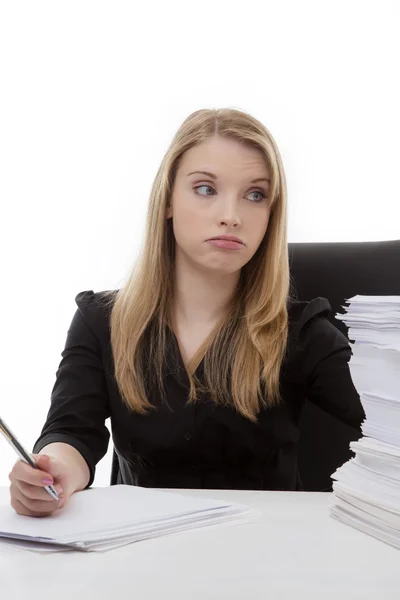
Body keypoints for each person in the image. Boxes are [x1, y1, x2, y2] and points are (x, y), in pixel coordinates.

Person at [9, 107, 365, 518]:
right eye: (206, 189)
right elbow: (71, 433)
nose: (231, 216)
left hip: (267, 560)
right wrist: (54, 472)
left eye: (255, 195)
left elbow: (385, 419)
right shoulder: (101, 321)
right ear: (167, 202)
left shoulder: (301, 332)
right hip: (139, 555)